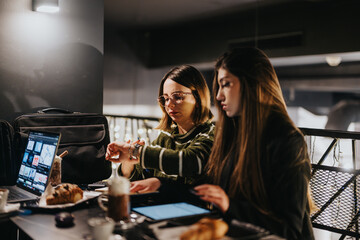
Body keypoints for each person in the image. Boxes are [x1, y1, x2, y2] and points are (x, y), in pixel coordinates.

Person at [193, 47, 315, 239]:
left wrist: (229, 206)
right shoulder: (235, 131)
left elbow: (289, 229)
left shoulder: (287, 140)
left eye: (226, 84)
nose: (218, 96)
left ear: (252, 84)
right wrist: (162, 184)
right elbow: (208, 187)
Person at [106, 65, 214, 193]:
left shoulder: (211, 134)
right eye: (166, 98)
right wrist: (128, 163)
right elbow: (141, 181)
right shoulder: (165, 138)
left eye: (178, 97)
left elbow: (188, 160)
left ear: (197, 97)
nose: (169, 104)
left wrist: (134, 151)